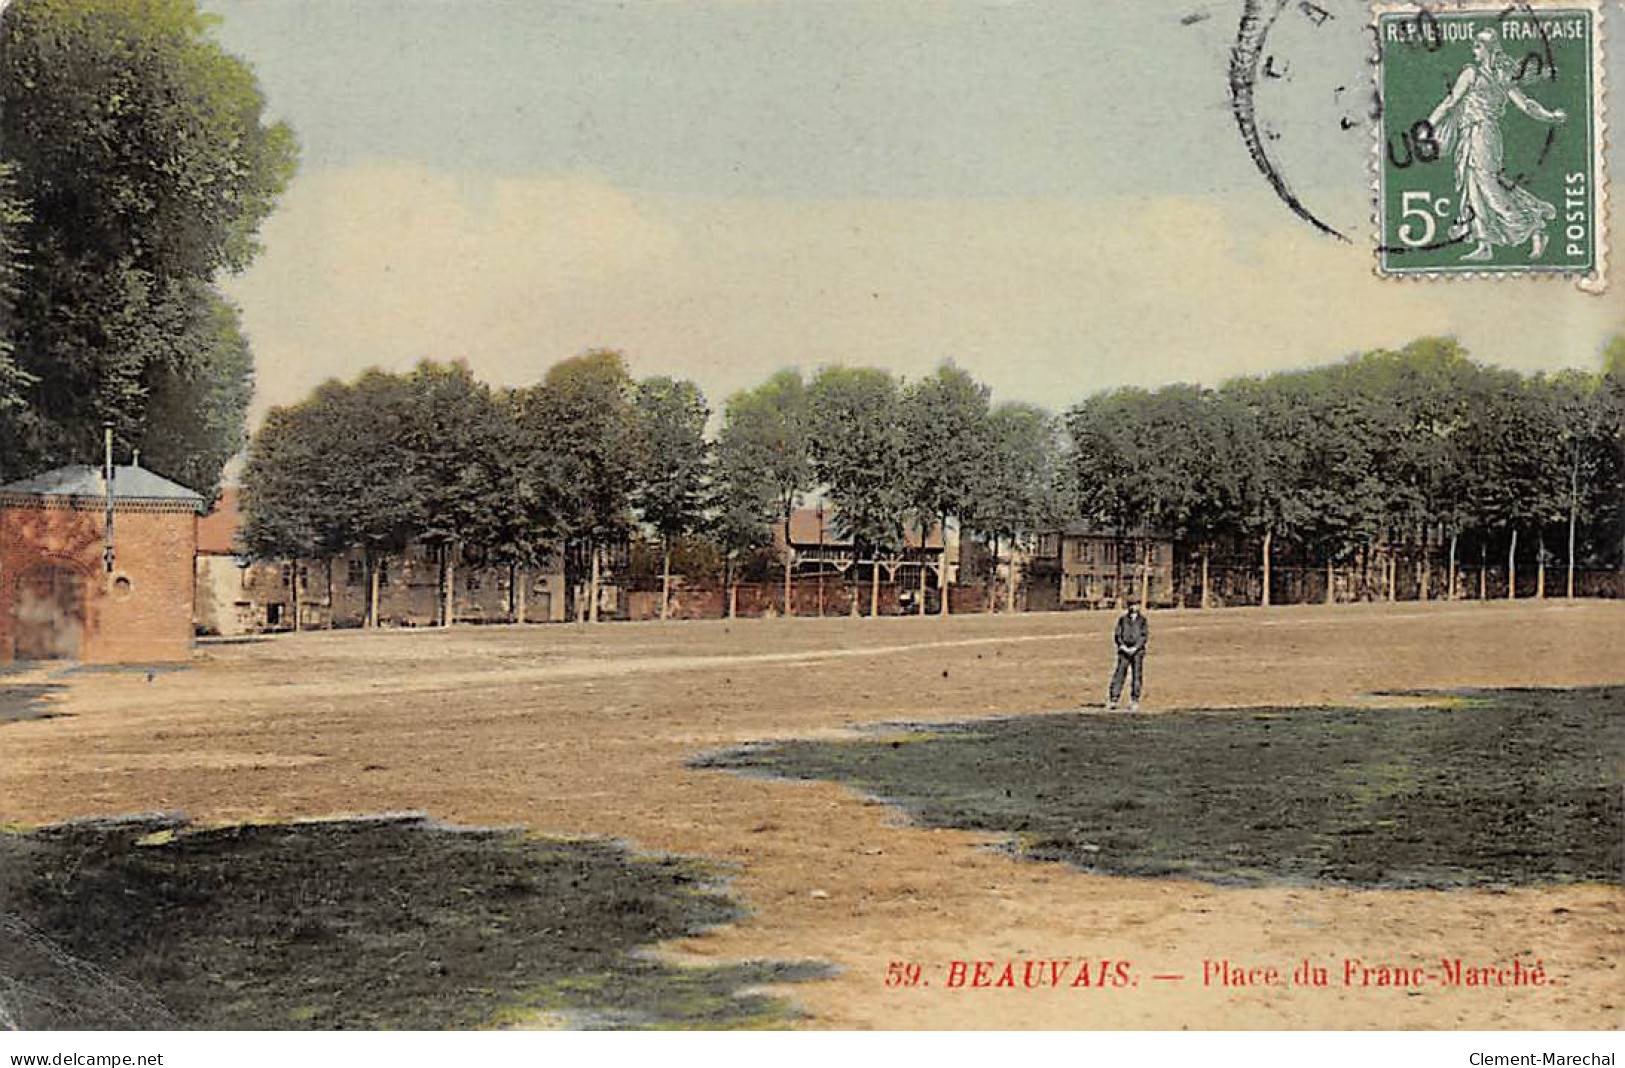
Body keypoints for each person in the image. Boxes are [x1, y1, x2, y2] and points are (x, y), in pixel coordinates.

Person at [1426, 27, 1567, 262]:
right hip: (1480, 134)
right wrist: (1550, 116)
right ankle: (1485, 245)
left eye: (1478, 46)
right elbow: (1527, 105)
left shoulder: (1472, 74)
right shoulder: (1501, 77)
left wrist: (1427, 125)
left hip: (1481, 135)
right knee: (1475, 189)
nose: (1474, 50)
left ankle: (1532, 225)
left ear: (1489, 49)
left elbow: (1451, 102)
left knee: (1488, 188)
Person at [1106, 600, 1148, 711]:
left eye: (1135, 605)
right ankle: (1113, 699)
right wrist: (1122, 646)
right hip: (1123, 651)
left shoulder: (1142, 620)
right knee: (1119, 675)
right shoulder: (1122, 620)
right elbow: (1117, 634)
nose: (1133, 607)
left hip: (1137, 652)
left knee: (1136, 676)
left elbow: (1144, 636)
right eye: (1131, 605)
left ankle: (1134, 700)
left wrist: (1136, 647)